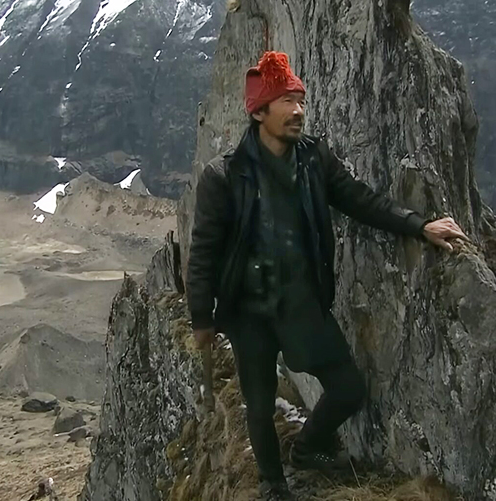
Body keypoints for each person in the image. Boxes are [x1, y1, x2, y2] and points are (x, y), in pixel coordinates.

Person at [186, 51, 467, 500]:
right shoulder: (224, 175)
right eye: (286, 102)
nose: (298, 111)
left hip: (300, 301)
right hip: (248, 312)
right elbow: (202, 252)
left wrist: (419, 224)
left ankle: (308, 446)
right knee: (257, 406)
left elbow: (359, 199)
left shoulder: (314, 158)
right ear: (259, 111)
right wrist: (202, 318)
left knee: (348, 389)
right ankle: (273, 485)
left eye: (301, 101)